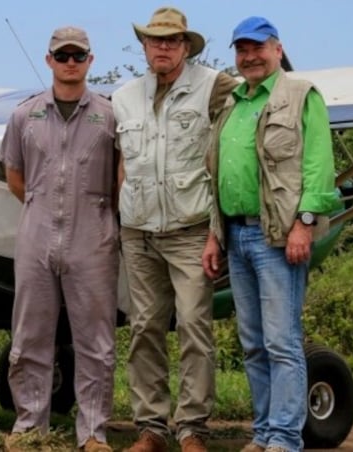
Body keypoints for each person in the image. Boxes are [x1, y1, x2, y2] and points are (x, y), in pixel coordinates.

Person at [202, 16, 341, 452]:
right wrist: (214, 235)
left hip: (278, 236)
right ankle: (262, 434)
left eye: (258, 47)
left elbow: (320, 165)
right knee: (253, 343)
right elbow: (217, 175)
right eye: (241, 50)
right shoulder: (232, 103)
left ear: (278, 50)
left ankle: (284, 437)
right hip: (236, 235)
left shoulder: (301, 96)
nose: (249, 56)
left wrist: (304, 223)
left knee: (282, 341)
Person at [111, 6, 238, 452]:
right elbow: (120, 162)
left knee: (193, 326)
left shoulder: (215, 86)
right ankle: (150, 427)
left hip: (191, 228)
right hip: (138, 231)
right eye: (155, 39)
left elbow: (249, 118)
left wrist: (217, 230)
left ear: (186, 46)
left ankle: (192, 429)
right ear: (143, 46)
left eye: (172, 40)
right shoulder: (122, 96)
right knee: (144, 326)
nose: (163, 47)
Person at [0, 25, 119, 452]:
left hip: (93, 236)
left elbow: (120, 179)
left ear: (90, 61)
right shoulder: (23, 115)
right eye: (62, 55)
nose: (70, 62)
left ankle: (93, 432)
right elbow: (14, 174)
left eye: (78, 56)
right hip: (37, 233)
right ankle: (30, 426)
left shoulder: (109, 115)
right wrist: (41, 204)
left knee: (95, 340)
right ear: (49, 60)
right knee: (30, 333)